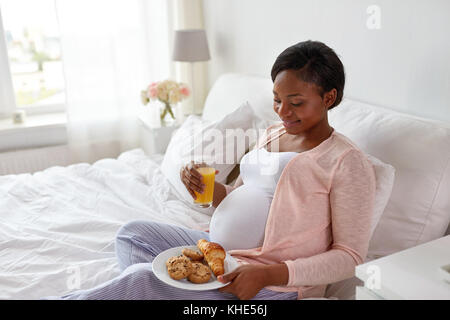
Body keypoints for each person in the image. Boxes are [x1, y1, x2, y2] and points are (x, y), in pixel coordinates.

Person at [47, 40, 376, 300]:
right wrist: (212, 192)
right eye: (276, 99)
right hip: (221, 252)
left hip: (270, 280)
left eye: (295, 102)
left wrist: (268, 274)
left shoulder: (347, 162)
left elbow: (349, 257)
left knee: (142, 278)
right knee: (132, 235)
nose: (282, 111)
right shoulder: (274, 133)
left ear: (329, 97)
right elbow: (244, 196)